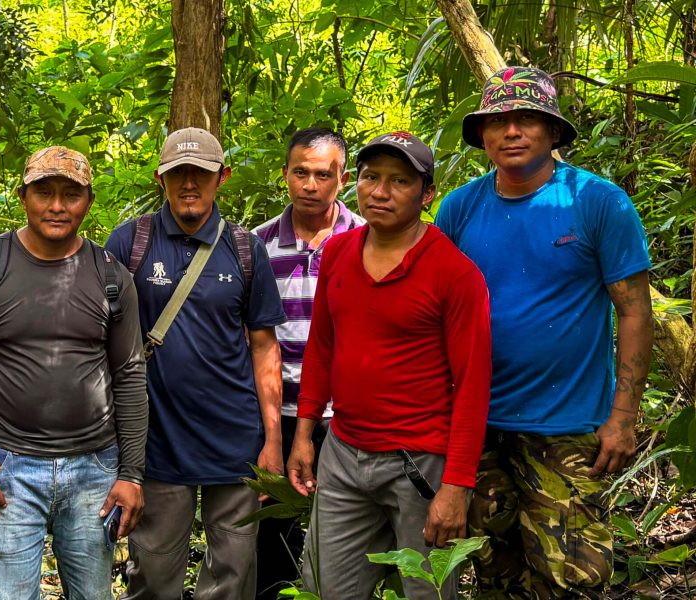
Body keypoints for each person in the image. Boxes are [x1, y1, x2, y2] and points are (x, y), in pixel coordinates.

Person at [435, 66, 653, 598]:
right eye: (498, 121)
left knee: (572, 577)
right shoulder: (460, 207)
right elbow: (433, 309)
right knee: (494, 569)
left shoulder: (596, 201)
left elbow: (634, 312)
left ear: (553, 131)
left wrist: (623, 417)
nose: (511, 132)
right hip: (476, 426)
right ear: (482, 135)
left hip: (566, 425)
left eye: (527, 120)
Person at [0, 146, 148, 600]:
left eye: (71, 194)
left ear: (88, 201)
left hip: (94, 468)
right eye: (43, 192)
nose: (57, 206)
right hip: (7, 469)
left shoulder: (111, 277)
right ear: (23, 196)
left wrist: (131, 474)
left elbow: (130, 374)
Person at [288, 131, 491, 599]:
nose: (380, 192)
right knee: (325, 588)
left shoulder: (455, 274)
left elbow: (473, 386)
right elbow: (322, 347)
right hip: (343, 450)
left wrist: (456, 486)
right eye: (370, 177)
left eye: (399, 181)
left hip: (419, 462)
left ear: (427, 194)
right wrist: (304, 434)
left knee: (426, 590)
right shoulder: (338, 252)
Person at [106, 127, 287, 599]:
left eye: (201, 174)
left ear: (221, 177)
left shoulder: (245, 249)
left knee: (233, 574)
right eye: (178, 174)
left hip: (235, 441)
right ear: (160, 178)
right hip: (157, 441)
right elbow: (101, 341)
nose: (190, 184)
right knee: (152, 574)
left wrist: (272, 441)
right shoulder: (130, 243)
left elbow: (264, 347)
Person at [251, 127, 365, 598]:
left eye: (323, 175)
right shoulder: (257, 244)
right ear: (285, 174)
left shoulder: (367, 238)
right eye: (300, 173)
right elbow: (254, 338)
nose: (310, 185)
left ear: (343, 180)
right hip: (277, 411)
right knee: (272, 536)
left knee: (343, 538)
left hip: (344, 415)